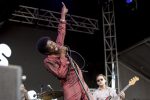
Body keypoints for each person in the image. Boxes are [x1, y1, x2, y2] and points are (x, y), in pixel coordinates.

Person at [36, 2, 94, 100]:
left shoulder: (59, 45)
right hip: (70, 86)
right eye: (50, 45)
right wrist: (62, 56)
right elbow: (61, 74)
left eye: (52, 42)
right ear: (46, 52)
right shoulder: (48, 61)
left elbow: (61, 31)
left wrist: (63, 14)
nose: (53, 44)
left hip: (81, 81)